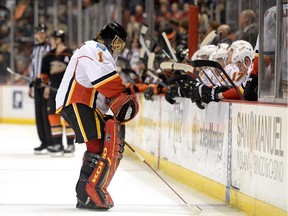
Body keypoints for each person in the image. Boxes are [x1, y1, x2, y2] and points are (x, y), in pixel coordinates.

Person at [55, 22, 139, 210]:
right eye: (117, 41)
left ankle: (86, 191)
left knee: (103, 144)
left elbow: (105, 90)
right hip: (77, 101)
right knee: (97, 144)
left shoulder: (102, 53)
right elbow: (107, 84)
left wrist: (118, 99)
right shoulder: (95, 48)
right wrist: (121, 96)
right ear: (108, 37)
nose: (118, 47)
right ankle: (87, 192)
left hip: (86, 103)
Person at [40, 29, 75, 156]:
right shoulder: (48, 56)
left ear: (59, 39)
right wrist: (42, 81)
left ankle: (70, 145)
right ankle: (58, 144)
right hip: (53, 91)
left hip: (67, 92)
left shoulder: (71, 54)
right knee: (53, 117)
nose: (50, 41)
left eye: (52, 39)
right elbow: (45, 74)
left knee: (67, 117)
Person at [28, 23, 54, 154]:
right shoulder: (34, 49)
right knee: (39, 114)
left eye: (43, 33)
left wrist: (48, 85)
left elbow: (51, 68)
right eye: (39, 33)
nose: (41, 35)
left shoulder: (50, 48)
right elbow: (32, 67)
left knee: (46, 114)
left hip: (45, 85)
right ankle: (43, 141)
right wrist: (30, 85)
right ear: (36, 35)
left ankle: (51, 141)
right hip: (36, 85)